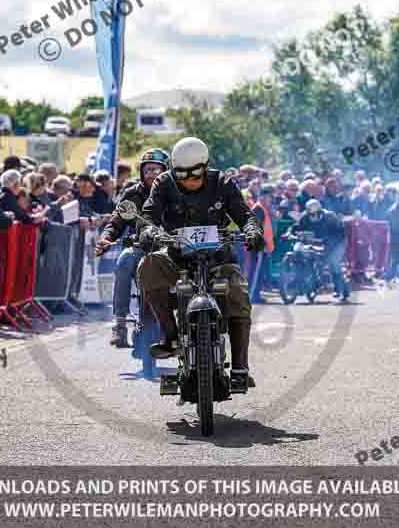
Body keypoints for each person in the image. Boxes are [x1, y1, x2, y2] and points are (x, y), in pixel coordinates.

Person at [135, 137, 264, 387]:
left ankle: (239, 367)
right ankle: (170, 335)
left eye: (195, 173)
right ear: (173, 169)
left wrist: (252, 230)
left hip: (218, 257)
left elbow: (244, 214)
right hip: (176, 256)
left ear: (206, 166)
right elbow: (148, 215)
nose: (189, 180)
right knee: (148, 267)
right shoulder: (163, 182)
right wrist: (147, 231)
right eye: (182, 174)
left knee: (238, 292)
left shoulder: (222, 182)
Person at [96, 148, 170, 348]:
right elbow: (116, 221)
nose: (151, 174)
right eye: (147, 169)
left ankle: (194, 325)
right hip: (138, 246)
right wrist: (106, 238)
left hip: (170, 248)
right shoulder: (132, 193)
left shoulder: (175, 191)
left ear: (166, 171)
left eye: (157, 170)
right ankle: (119, 324)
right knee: (123, 261)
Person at [287, 199, 350, 301]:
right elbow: (296, 227)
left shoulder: (330, 216)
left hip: (338, 242)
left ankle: (340, 289)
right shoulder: (304, 217)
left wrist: (327, 242)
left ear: (321, 211)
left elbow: (339, 233)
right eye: (311, 214)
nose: (314, 216)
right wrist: (289, 233)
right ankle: (310, 281)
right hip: (318, 241)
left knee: (333, 261)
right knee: (306, 253)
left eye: (316, 213)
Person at [248, 184, 276, 304]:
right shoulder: (258, 208)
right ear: (264, 196)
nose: (271, 200)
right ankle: (253, 296)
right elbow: (255, 227)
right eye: (270, 197)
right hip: (258, 246)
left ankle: (256, 295)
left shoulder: (262, 208)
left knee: (259, 273)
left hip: (262, 246)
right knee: (256, 272)